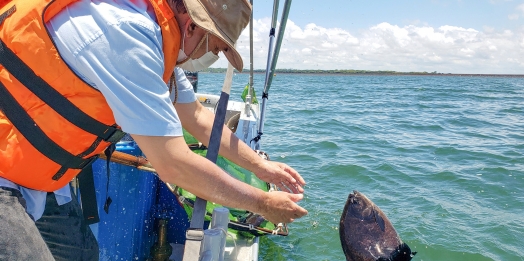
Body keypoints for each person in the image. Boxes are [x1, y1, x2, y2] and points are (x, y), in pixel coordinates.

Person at [0, 0, 308, 260]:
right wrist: (262, 204)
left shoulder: (156, 39)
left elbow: (198, 117)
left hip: (36, 179)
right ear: (192, 26)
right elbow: (174, 164)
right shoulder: (127, 35)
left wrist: (262, 167)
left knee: (81, 254)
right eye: (214, 48)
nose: (210, 58)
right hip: (6, 175)